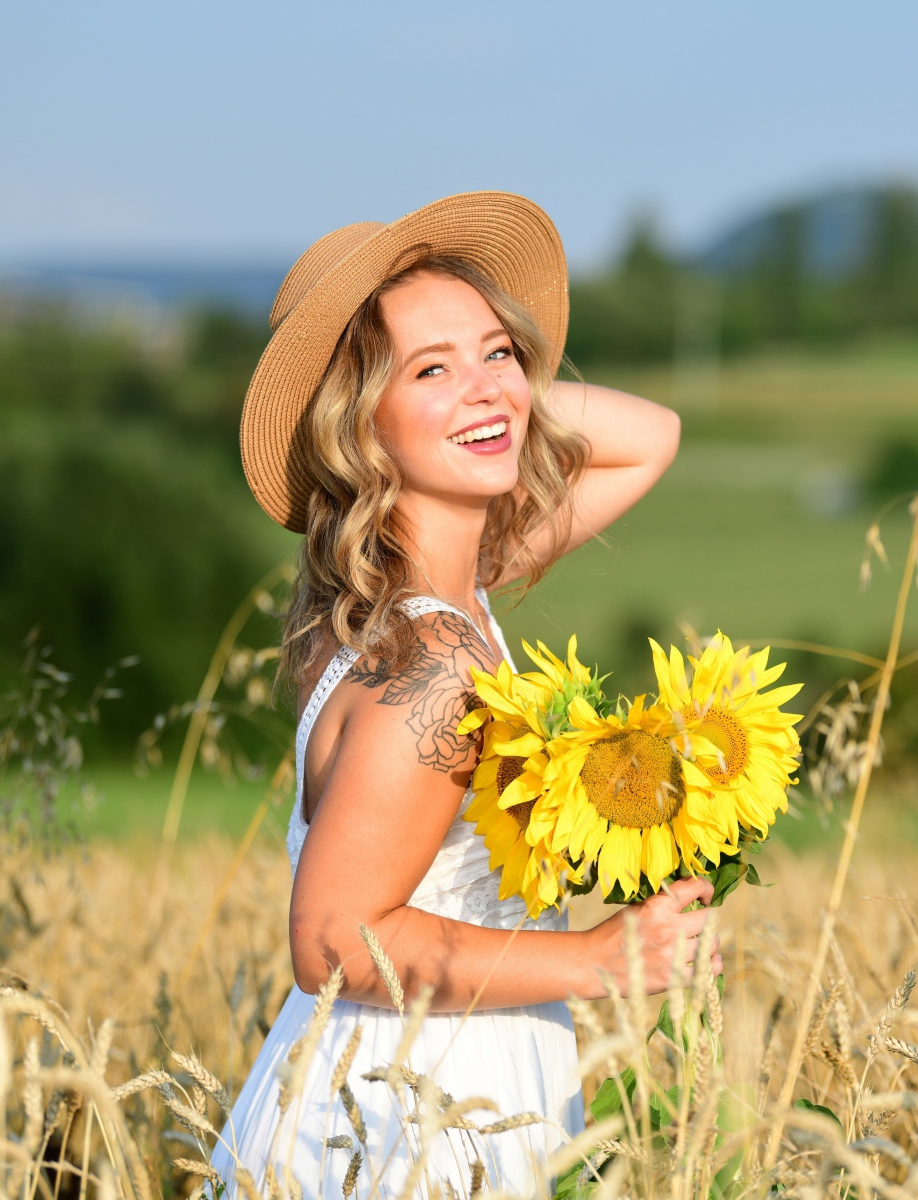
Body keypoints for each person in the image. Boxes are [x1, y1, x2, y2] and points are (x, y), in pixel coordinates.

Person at [210, 193, 719, 1199]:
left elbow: (650, 436)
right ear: (358, 421)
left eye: (498, 350)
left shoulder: (422, 596)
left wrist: (488, 401)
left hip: (415, 1075)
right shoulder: (432, 665)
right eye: (429, 370)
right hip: (409, 1118)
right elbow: (332, 940)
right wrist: (599, 962)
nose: (484, 385)